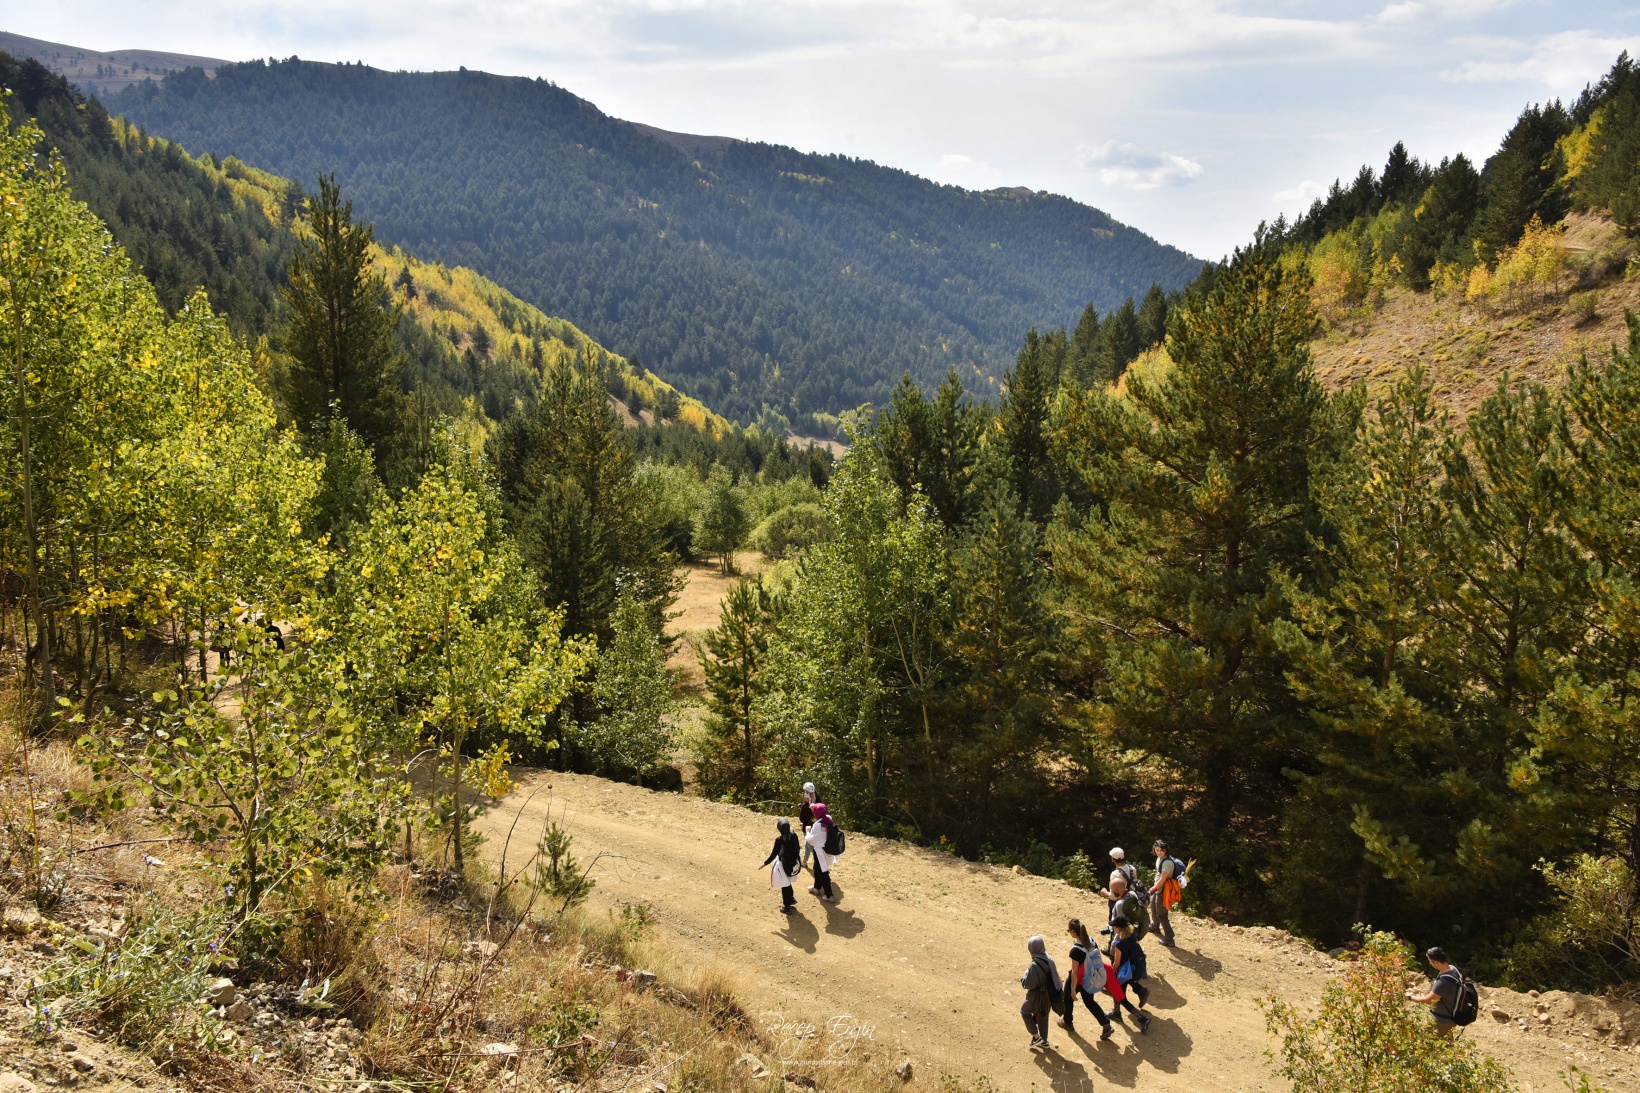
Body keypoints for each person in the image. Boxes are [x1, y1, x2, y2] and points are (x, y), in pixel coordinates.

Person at [1057, 918, 1115, 1041]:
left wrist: (1073, 988)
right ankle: (1106, 1024)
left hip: (1079, 979)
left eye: (1069, 931)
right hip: (1090, 978)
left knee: (1067, 997)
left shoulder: (1075, 950)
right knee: (1089, 1002)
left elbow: (1075, 972)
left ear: (1073, 932)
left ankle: (1067, 1022)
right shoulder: (1092, 941)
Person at [1107, 917, 1152, 1033]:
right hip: (1133, 971)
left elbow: (1116, 964)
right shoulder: (1132, 937)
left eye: (1114, 926)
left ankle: (1142, 1019)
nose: (1113, 928)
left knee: (1121, 997)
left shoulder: (1119, 945)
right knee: (1118, 993)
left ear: (1118, 928)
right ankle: (1116, 1012)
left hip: (1123, 974)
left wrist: (1110, 974)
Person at [1407, 947, 1464, 1036]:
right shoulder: (1453, 969)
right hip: (1449, 1018)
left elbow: (1428, 1001)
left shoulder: (1444, 982)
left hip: (1442, 1021)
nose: (1430, 963)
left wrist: (1410, 997)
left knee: (1429, 1044)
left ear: (1436, 963)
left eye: (1430, 961)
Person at [1019, 935, 1060, 1051]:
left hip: (1037, 995)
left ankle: (1036, 1037)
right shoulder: (1049, 958)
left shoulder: (1035, 965)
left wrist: (1024, 975)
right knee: (1043, 1015)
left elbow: (1027, 984)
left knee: (1024, 1012)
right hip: (1049, 994)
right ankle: (1044, 1041)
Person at [762, 818, 802, 913]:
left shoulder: (779, 840)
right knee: (789, 881)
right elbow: (798, 848)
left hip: (783, 864)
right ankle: (791, 898)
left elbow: (774, 854)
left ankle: (786, 906)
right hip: (794, 862)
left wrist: (765, 863)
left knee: (785, 884)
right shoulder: (794, 835)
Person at [1099, 874, 1147, 948]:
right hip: (1137, 931)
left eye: (1112, 890)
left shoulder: (1120, 904)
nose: (1111, 892)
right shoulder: (1132, 894)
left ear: (1117, 890)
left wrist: (1113, 945)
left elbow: (1122, 927)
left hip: (1124, 938)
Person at [1150, 839, 1182, 946]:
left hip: (1163, 891)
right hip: (1157, 889)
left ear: (1165, 850)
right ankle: (1155, 927)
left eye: (1161, 850)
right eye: (1157, 850)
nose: (1159, 852)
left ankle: (1169, 938)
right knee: (1154, 909)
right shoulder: (1159, 859)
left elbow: (1163, 879)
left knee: (1162, 915)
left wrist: (1153, 889)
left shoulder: (1167, 862)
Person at [805, 802, 838, 903]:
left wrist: (807, 831)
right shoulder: (828, 818)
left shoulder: (818, 825)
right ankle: (816, 887)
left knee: (823, 872)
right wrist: (814, 806)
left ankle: (829, 895)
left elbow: (810, 840)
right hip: (828, 850)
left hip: (820, 851)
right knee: (817, 868)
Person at [799, 783, 818, 871]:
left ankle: (819, 864)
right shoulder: (819, 802)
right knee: (808, 845)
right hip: (818, 828)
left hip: (808, 829)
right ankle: (804, 861)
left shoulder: (805, 806)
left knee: (811, 846)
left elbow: (801, 818)